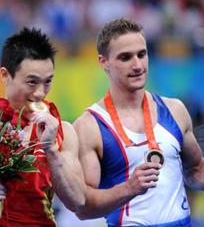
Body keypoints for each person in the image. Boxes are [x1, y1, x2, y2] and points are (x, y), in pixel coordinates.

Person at [0, 27, 85, 226]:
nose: (40, 93)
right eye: (32, 82)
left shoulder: (62, 132)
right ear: (5, 75)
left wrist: (51, 150)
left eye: (47, 82)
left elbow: (78, 202)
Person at [73, 17, 204, 226]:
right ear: (103, 62)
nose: (137, 65)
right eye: (125, 57)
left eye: (141, 54)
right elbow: (83, 207)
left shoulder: (175, 110)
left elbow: (196, 171)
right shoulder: (90, 126)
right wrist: (129, 188)